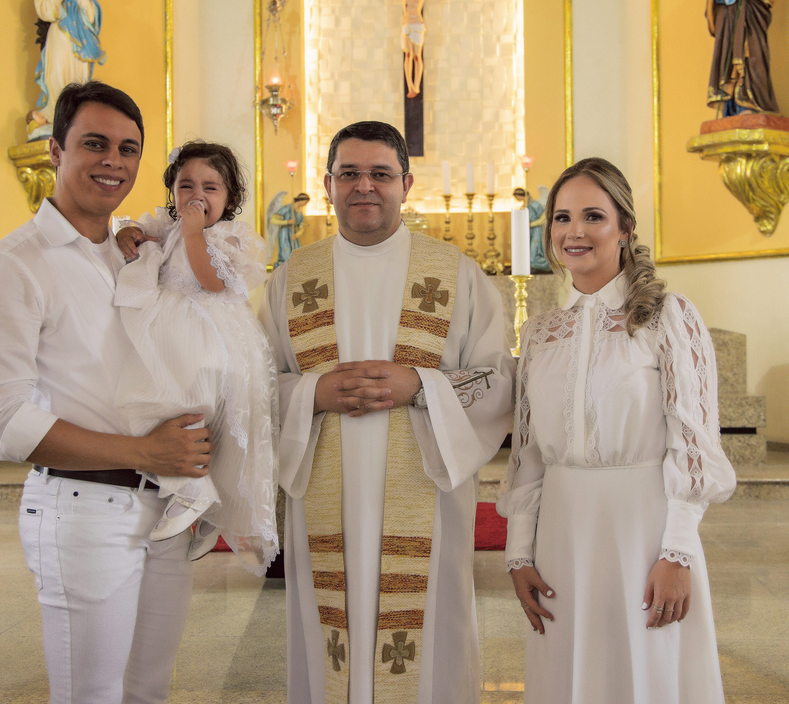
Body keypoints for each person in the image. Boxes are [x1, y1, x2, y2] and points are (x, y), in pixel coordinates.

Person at [0, 81, 208, 703]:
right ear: (54, 152)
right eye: (94, 144)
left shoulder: (137, 252)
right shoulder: (13, 266)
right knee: (91, 695)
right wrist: (143, 451)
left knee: (148, 690)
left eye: (129, 149)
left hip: (166, 507)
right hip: (84, 510)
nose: (113, 162)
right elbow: (0, 422)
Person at [260, 121, 515, 704]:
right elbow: (253, 389)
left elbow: (498, 381)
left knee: (425, 640)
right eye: (349, 173)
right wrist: (312, 396)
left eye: (380, 174)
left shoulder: (457, 276)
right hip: (324, 494)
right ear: (327, 184)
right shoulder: (290, 280)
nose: (364, 186)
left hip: (424, 496)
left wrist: (420, 385)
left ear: (407, 183)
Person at [498, 158, 736, 703]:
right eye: (561, 218)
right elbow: (528, 456)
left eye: (592, 216)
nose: (573, 231)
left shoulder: (669, 317)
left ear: (625, 229)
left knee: (648, 671)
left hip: (643, 533)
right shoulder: (539, 333)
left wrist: (677, 553)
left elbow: (693, 445)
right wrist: (519, 553)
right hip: (562, 534)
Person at [113, 141, 278, 571]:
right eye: (185, 185)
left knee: (214, 424)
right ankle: (195, 490)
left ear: (230, 197)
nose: (196, 196)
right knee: (163, 407)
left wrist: (192, 233)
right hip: (171, 334)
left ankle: (208, 507)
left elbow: (213, 282)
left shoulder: (230, 236)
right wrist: (126, 233)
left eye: (210, 187)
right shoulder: (165, 225)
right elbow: (132, 235)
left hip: (213, 338)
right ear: (172, 192)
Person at [29, 0, 105, 139]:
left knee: (77, 79)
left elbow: (92, 15)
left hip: (78, 42)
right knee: (56, 74)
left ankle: (75, 119)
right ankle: (55, 116)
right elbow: (43, 8)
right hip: (59, 35)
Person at [706, 0, 780, 117]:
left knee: (754, 58)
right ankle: (732, 108)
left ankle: (753, 103)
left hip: (753, 21)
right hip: (731, 25)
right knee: (730, 62)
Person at [369, 0, 458, 98]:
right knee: (408, 56)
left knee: (417, 57)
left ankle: (416, 85)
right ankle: (410, 85)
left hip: (418, 27)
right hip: (406, 26)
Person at [513, 187, 550, 273]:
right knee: (527, 250)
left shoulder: (534, 204)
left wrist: (531, 224)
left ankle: (540, 264)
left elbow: (544, 218)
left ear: (520, 196)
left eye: (516, 197)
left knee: (535, 249)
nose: (516, 199)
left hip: (536, 230)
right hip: (529, 231)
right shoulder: (526, 205)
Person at [270, 191, 311, 267]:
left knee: (296, 254)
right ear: (300, 200)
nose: (305, 204)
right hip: (284, 234)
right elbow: (273, 220)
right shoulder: (287, 208)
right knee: (286, 254)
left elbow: (302, 226)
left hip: (293, 234)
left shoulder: (300, 213)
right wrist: (287, 222)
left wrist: (297, 235)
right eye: (305, 202)